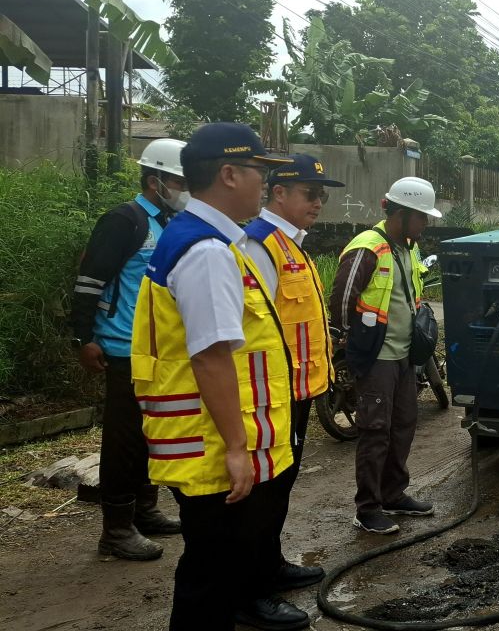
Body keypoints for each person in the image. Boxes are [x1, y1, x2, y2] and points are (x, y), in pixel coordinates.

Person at [130, 123, 308, 631]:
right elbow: (210, 358)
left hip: (207, 437)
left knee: (213, 569)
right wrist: (236, 447)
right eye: (259, 171)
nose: (265, 184)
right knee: (212, 576)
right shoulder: (206, 252)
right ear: (229, 174)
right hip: (210, 443)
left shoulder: (205, 239)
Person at [70, 138, 187, 561]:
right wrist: (83, 338)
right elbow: (89, 281)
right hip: (122, 347)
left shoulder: (169, 223)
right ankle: (116, 530)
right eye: (180, 182)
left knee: (149, 432)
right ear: (155, 181)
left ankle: (145, 510)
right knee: (124, 438)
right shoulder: (125, 220)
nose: (185, 189)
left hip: (156, 349)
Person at [244, 153, 344, 591]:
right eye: (310, 193)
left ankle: (271, 563)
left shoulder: (292, 243)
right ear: (279, 193)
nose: (318, 202)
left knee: (281, 486)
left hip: (297, 391)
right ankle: (255, 583)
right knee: (265, 491)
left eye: (322, 195)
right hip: (272, 394)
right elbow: (252, 329)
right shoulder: (259, 245)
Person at [331, 176, 440, 534]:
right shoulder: (368, 247)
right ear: (401, 213)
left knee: (403, 424)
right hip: (377, 357)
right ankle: (367, 509)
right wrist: (345, 341)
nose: (426, 223)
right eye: (422, 216)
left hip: (404, 356)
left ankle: (393, 494)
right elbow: (342, 298)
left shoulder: (408, 248)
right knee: (375, 430)